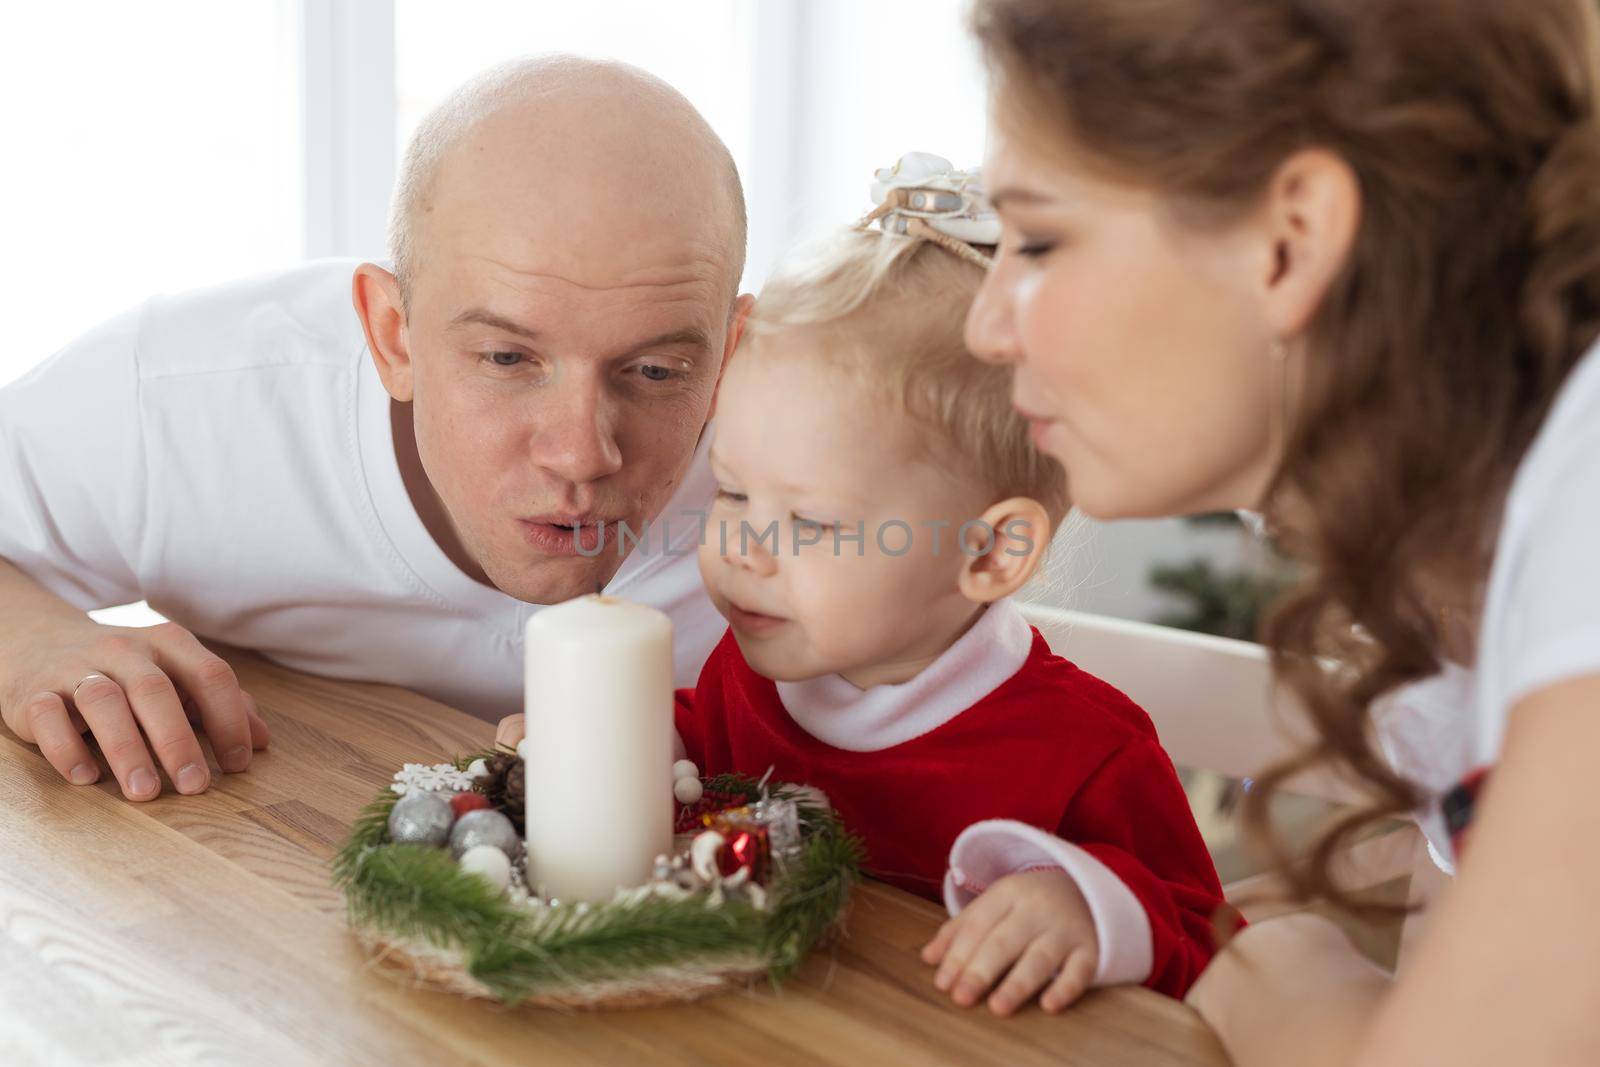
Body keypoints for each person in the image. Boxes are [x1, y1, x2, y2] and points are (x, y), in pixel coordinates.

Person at [961, 0, 1600, 1062]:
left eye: (1037, 238)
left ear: (1291, 240)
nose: (984, 324)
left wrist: (1282, 982)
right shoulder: (1460, 559)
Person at [499, 205, 1229, 1010]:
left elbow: (1203, 938)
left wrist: (1089, 911)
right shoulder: (749, 672)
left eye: (810, 522)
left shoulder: (1089, 752)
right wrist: (615, 738)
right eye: (734, 493)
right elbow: (698, 754)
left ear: (988, 553)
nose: (742, 545)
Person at [0, 55, 751, 805]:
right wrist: (29, 640)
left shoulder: (832, 458)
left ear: (731, 355)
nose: (583, 454)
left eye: (655, 371)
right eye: (506, 357)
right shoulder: (183, 399)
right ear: (393, 335)